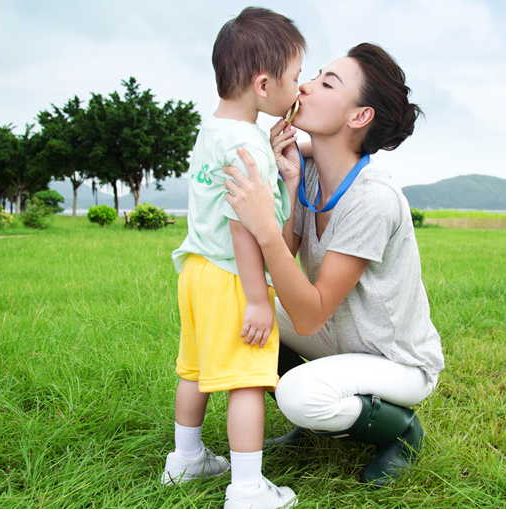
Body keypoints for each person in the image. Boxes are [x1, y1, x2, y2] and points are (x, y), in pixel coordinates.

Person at [223, 43, 445, 488]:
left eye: (327, 83)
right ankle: (315, 425)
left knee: (299, 395)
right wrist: (282, 182)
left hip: (396, 360)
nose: (305, 85)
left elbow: (309, 312)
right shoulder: (306, 173)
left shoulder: (372, 199)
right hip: (340, 339)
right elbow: (280, 267)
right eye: (315, 75)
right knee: (242, 309)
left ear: (358, 117)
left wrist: (264, 227)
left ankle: (400, 432)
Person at [162, 7, 305, 509]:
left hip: (196, 269)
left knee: (195, 370)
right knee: (247, 379)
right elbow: (247, 228)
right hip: (231, 276)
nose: (300, 88)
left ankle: (185, 459)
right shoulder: (251, 149)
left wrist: (277, 167)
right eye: (296, 77)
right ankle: (246, 490)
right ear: (265, 85)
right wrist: (257, 299)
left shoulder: (216, 131)